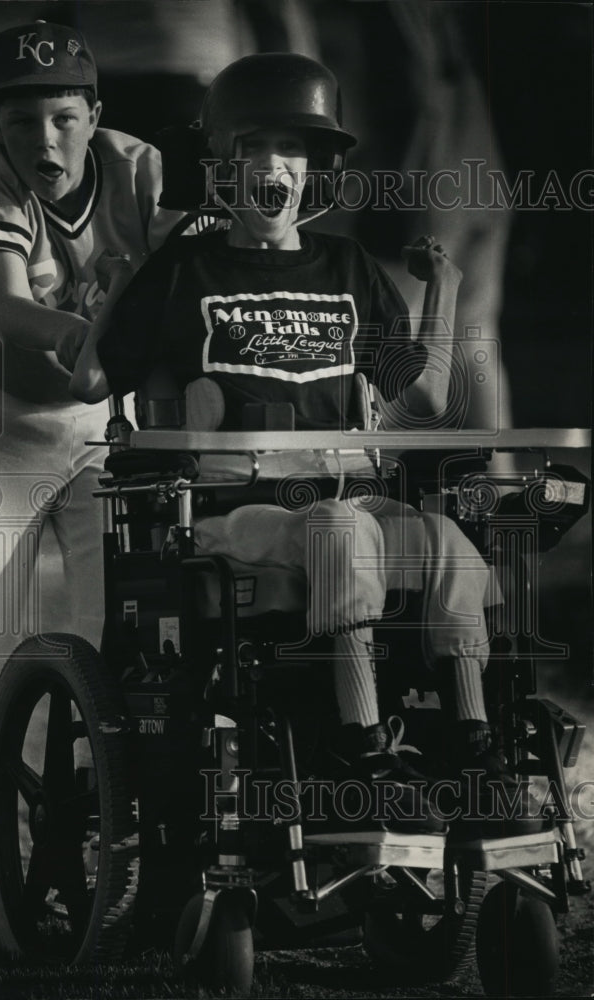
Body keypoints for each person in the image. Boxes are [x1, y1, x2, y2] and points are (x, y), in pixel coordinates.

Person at [71, 54, 544, 836]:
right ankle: (362, 745)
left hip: (340, 498)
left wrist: (446, 292)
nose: (277, 172)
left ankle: (473, 749)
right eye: (260, 151)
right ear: (225, 163)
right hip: (232, 512)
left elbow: (421, 393)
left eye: (296, 154)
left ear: (317, 170)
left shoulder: (350, 266)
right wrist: (123, 280)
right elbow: (94, 381)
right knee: (341, 530)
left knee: (447, 543)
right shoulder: (185, 269)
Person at [0, 20, 182, 822]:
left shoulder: (142, 170)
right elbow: (7, 305)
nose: (45, 137)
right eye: (21, 119)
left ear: (94, 115)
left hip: (103, 429)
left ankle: (93, 810)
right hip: (3, 427)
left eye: (64, 117)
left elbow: (191, 282)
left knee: (113, 649)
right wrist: (102, 337)